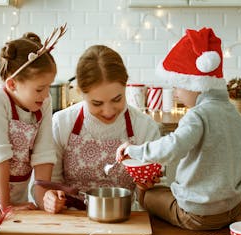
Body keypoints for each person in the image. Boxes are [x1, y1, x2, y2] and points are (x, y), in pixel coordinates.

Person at [116, 27, 241, 230]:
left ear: (196, 84)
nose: (174, 94)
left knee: (147, 194)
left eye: (177, 85)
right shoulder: (239, 117)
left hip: (196, 215)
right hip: (232, 210)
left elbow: (171, 149)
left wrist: (132, 150)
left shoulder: (197, 116)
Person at [32, 45, 161, 213]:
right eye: (97, 103)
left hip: (125, 221)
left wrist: (145, 189)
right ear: (80, 93)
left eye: (117, 99)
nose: (108, 111)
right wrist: (50, 198)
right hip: (72, 221)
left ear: (125, 86)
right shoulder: (61, 123)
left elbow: (156, 199)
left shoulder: (145, 128)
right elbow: (46, 185)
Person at [0, 26, 66, 212]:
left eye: (48, 87)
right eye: (40, 89)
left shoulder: (43, 103)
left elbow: (44, 156)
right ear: (12, 84)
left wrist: (45, 201)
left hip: (17, 204)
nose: (46, 94)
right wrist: (6, 206)